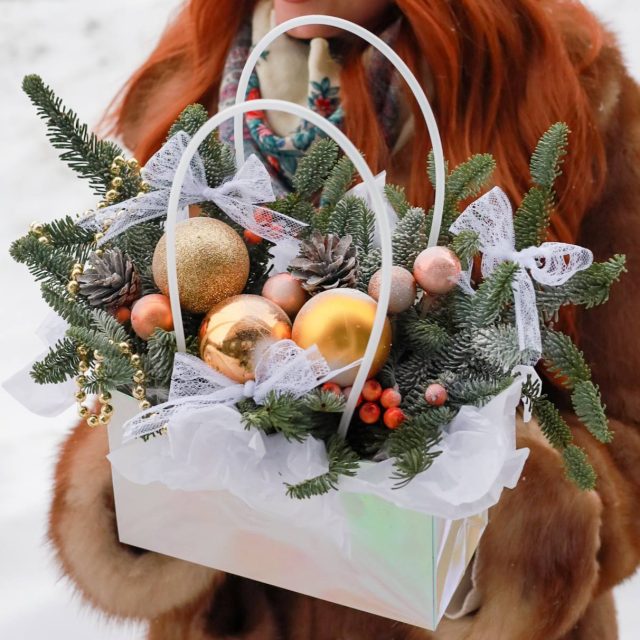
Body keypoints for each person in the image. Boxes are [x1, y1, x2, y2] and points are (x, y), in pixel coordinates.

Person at [50, 1, 640, 638]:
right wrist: (133, 470)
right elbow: (144, 334)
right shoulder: (194, 74)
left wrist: (518, 525)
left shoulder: (560, 79)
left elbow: (625, 425)